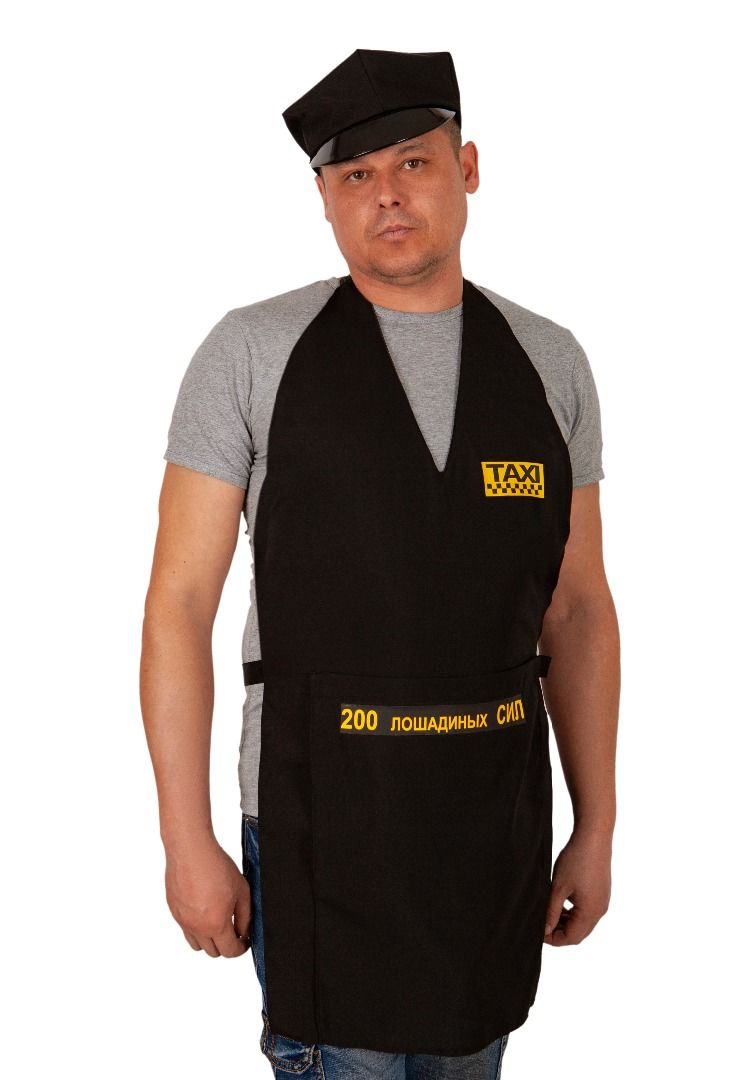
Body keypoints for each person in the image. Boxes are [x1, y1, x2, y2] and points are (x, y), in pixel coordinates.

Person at [141, 48, 620, 1080]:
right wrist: (186, 839)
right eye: (354, 174)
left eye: (413, 162)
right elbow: (178, 604)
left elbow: (578, 609)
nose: (387, 195)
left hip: (492, 821)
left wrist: (597, 824)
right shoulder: (254, 352)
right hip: (321, 823)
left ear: (468, 168)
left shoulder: (550, 363)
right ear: (323, 197)